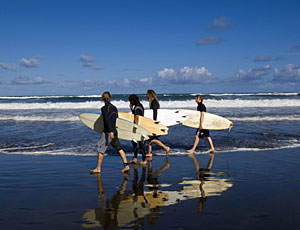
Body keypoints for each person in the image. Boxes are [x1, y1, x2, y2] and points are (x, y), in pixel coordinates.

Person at [90, 91, 130, 174]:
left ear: (103, 99)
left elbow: (107, 120)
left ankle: (98, 168)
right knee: (119, 148)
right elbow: (117, 119)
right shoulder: (114, 107)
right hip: (114, 130)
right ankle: (126, 165)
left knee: (101, 150)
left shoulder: (104, 108)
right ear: (109, 98)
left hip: (107, 132)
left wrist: (110, 131)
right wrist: (114, 130)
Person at [146, 90, 170, 157]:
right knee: (149, 138)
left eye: (147, 94)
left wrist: (154, 123)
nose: (146, 96)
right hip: (154, 122)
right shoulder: (153, 102)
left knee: (153, 139)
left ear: (150, 95)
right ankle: (149, 153)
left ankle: (166, 148)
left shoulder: (154, 102)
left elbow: (155, 113)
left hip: (155, 123)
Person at [128, 94, 147, 166]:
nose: (130, 102)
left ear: (133, 100)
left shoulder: (137, 107)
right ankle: (135, 158)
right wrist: (132, 110)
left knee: (140, 143)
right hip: (140, 127)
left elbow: (137, 118)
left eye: (130, 101)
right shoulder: (139, 105)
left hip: (138, 128)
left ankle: (144, 160)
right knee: (135, 142)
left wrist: (135, 128)